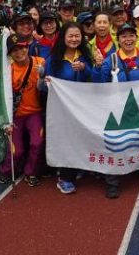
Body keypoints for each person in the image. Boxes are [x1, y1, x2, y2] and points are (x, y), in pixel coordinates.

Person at [92, 23, 139, 199]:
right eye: (124, 36)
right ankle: (112, 181)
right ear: (118, 39)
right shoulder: (111, 60)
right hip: (117, 109)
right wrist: (98, 67)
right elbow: (100, 84)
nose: (128, 39)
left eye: (131, 36)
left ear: (136, 38)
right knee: (116, 144)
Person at [45, 22, 93, 194]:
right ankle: (65, 178)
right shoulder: (53, 59)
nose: (74, 39)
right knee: (67, 141)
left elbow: (97, 78)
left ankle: (76, 168)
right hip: (62, 109)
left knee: (80, 138)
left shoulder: (86, 57)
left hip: (83, 107)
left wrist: (85, 68)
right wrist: (45, 81)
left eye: (77, 36)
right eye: (70, 36)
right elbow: (47, 84)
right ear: (63, 38)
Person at [0, 35, 45, 187]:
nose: (19, 52)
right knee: (16, 151)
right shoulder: (8, 71)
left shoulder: (40, 62)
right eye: (14, 50)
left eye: (22, 48)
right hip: (16, 116)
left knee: (37, 143)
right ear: (9, 54)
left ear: (27, 47)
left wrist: (43, 76)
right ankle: (6, 171)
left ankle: (31, 172)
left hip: (35, 113)